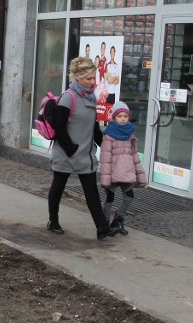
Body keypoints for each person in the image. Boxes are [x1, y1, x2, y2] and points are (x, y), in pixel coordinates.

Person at [47, 56, 120, 240]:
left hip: (85, 155)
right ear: (77, 78)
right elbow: (59, 126)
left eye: (93, 78)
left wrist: (103, 143)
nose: (92, 82)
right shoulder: (68, 98)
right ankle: (53, 221)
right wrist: (70, 149)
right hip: (67, 153)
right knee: (58, 187)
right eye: (88, 78)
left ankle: (102, 229)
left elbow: (93, 125)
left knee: (91, 192)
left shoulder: (91, 97)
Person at [100, 101, 147, 235]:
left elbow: (135, 156)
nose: (123, 119)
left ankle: (118, 219)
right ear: (114, 117)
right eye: (119, 116)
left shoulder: (130, 134)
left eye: (125, 116)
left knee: (129, 197)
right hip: (113, 173)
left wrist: (140, 175)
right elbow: (105, 158)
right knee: (109, 200)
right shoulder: (109, 135)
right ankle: (104, 224)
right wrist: (105, 178)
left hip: (127, 173)